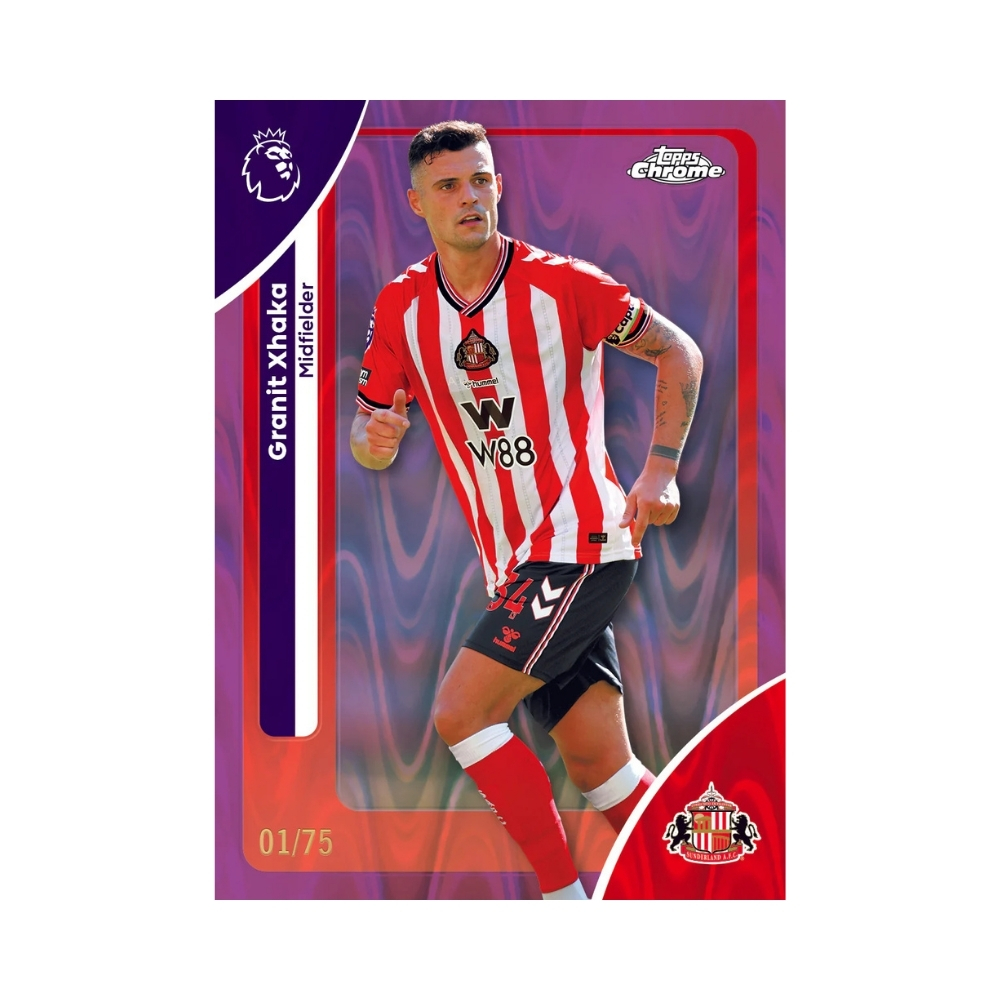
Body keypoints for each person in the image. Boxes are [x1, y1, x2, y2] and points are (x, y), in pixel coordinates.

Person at [350, 121, 703, 900]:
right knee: (602, 770)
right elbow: (368, 434)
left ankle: (561, 904)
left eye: (481, 180)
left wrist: (661, 470)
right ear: (416, 203)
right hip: (514, 567)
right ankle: (725, 887)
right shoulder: (403, 306)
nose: (469, 196)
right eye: (448, 186)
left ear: (500, 186)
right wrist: (374, 440)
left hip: (581, 543)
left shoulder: (562, 284)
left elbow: (679, 351)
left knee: (460, 714)